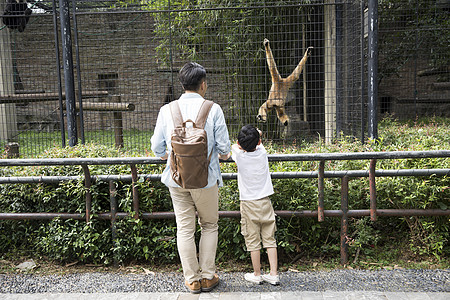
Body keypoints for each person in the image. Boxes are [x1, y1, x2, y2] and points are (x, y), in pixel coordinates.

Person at [150, 62, 231, 294]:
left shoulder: (167, 110)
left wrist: (167, 155)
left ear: (182, 84)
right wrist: (223, 154)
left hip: (176, 179)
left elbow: (157, 146)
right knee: (209, 225)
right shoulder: (213, 109)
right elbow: (224, 149)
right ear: (203, 84)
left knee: (184, 229)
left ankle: (192, 280)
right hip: (206, 180)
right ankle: (207, 277)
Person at [230, 124, 280, 285]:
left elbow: (234, 146)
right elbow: (257, 138)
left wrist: (243, 143)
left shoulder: (239, 155)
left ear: (239, 143)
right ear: (259, 142)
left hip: (248, 203)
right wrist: (257, 135)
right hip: (265, 201)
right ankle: (273, 273)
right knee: (269, 239)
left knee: (252, 240)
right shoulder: (263, 153)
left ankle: (257, 274)